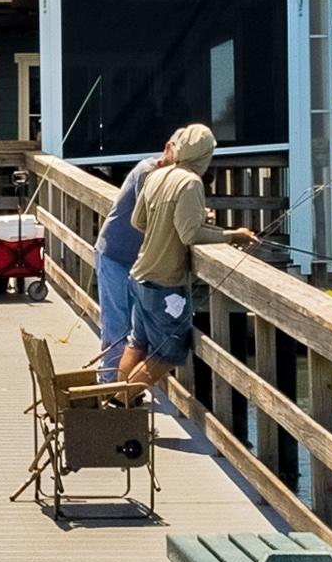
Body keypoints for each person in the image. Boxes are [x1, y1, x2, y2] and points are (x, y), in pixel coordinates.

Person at [117, 124, 255, 395]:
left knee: (137, 343)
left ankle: (112, 398)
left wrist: (166, 230)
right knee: (168, 353)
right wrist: (232, 235)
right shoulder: (191, 182)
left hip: (140, 274)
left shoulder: (157, 175)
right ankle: (119, 403)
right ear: (204, 155)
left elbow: (138, 220)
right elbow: (189, 233)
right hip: (165, 283)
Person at [93, 134, 168, 378]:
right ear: (168, 149)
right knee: (117, 326)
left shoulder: (169, 179)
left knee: (137, 329)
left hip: (137, 262)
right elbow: (150, 215)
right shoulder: (147, 171)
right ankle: (109, 382)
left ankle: (125, 386)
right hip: (114, 255)